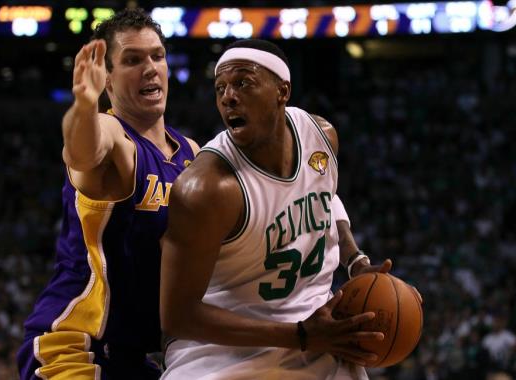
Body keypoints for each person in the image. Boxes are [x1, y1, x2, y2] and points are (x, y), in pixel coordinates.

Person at [160, 39, 392, 379]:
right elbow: (178, 316)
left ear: (282, 92)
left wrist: (355, 260)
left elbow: (326, 197)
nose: (228, 97)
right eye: (220, 88)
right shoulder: (207, 188)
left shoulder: (322, 138)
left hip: (319, 331)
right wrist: (298, 335)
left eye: (243, 83)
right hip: (222, 352)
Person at [17, 8, 199, 379]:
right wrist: (84, 104)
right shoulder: (111, 133)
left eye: (157, 56)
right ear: (109, 80)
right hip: (75, 347)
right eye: (132, 60)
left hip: (135, 357)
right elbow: (82, 151)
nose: (149, 67)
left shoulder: (191, 153)